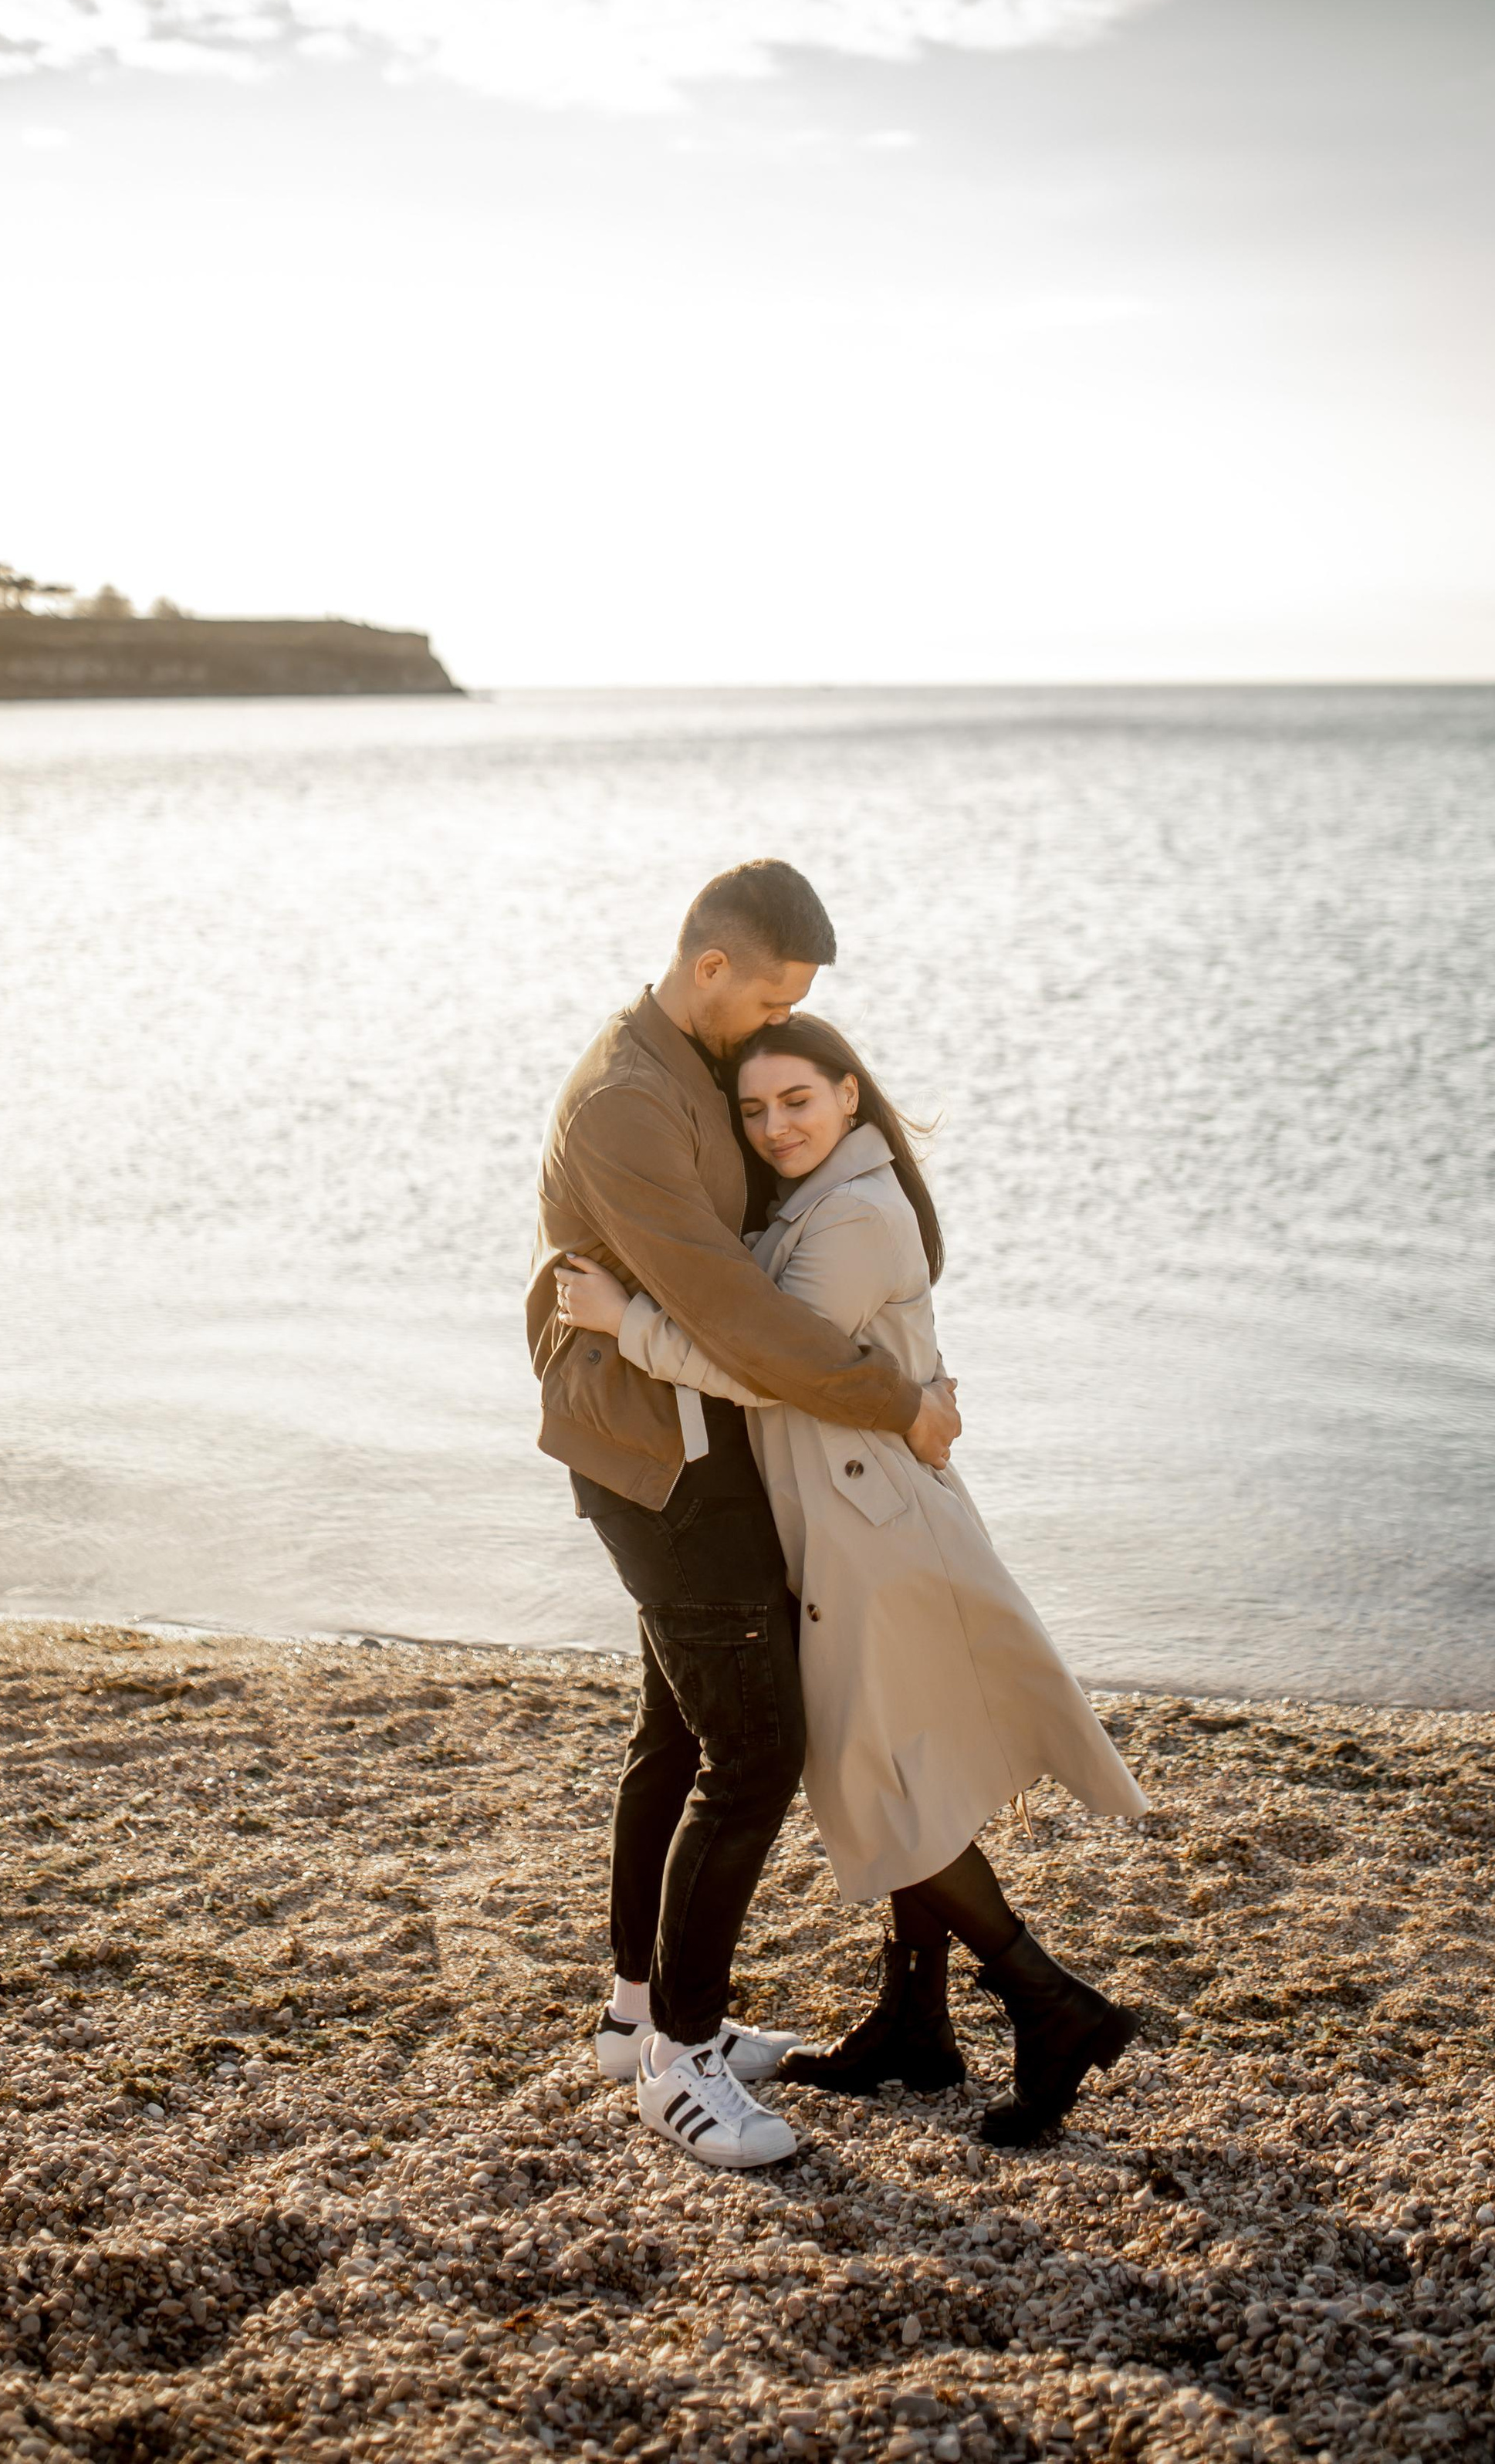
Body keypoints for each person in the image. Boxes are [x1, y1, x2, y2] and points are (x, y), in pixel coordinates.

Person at [556, 1011, 1149, 2150]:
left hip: (876, 1538)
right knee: (893, 1770)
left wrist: (624, 1321)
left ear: (852, 1097)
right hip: (848, 1524)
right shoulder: (813, 1198)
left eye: (799, 1102)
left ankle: (1048, 2001)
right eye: (753, 1110)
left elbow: (760, 1364)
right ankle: (918, 2024)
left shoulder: (859, 1213)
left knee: (883, 1778)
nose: (777, 1126)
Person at [529, 860, 961, 2172]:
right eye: (772, 992)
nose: (776, 1021)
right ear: (711, 967)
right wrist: (895, 1400)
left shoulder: (697, 1065)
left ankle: (636, 2013)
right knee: (753, 1753)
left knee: (675, 1730)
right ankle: (681, 2062)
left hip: (705, 1445)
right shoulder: (627, 1104)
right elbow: (729, 1307)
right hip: (660, 1463)